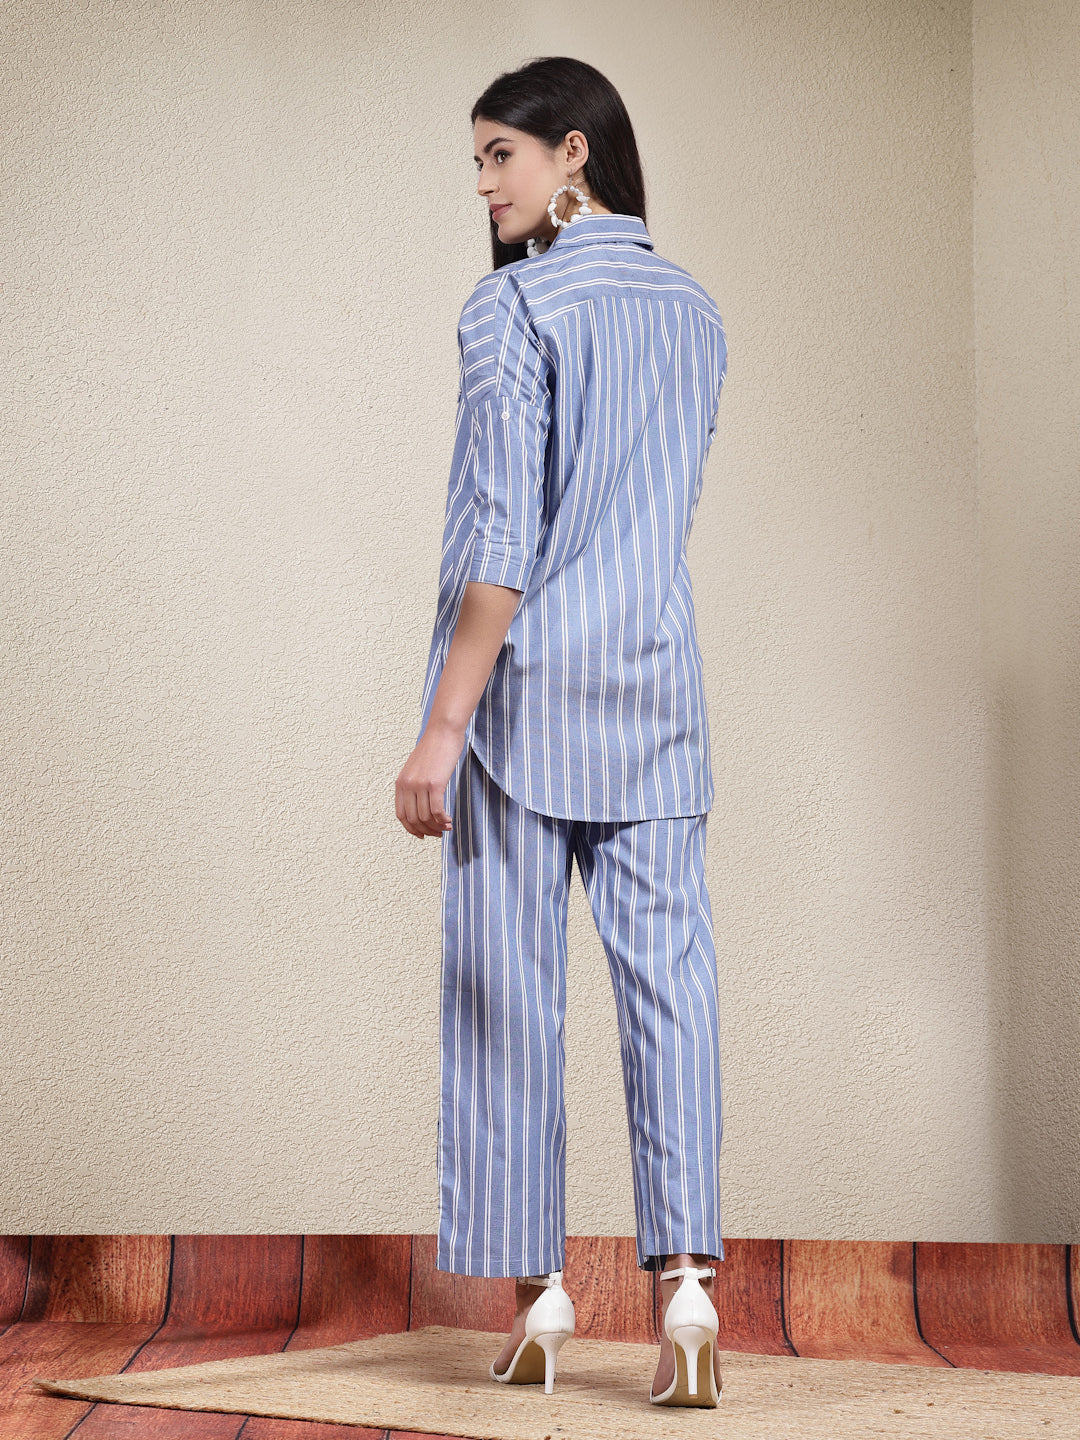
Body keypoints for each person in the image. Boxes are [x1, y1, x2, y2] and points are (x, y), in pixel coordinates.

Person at [395, 55, 727, 1408]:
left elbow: (499, 541)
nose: (483, 185)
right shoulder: (694, 309)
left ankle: (540, 1299)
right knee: (671, 992)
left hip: (524, 706)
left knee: (507, 998)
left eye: (500, 156)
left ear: (573, 152)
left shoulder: (512, 306)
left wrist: (441, 728)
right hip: (656, 695)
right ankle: (690, 1295)